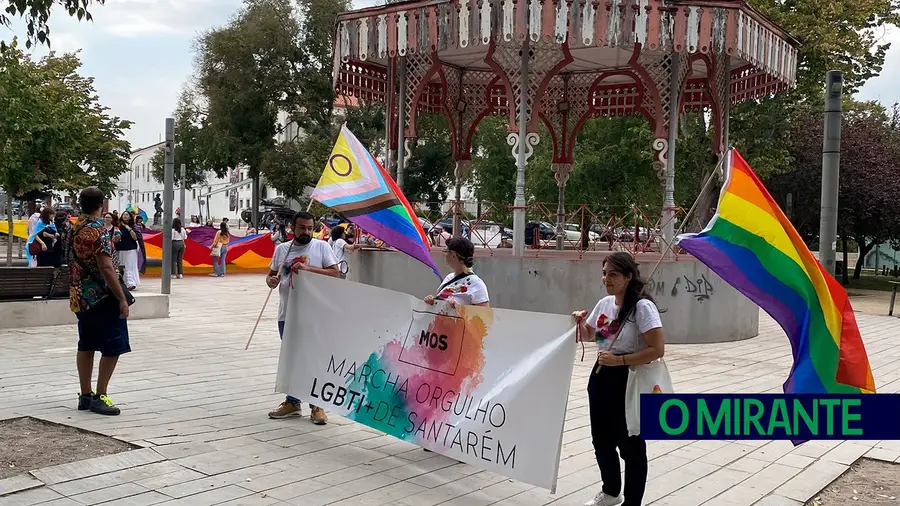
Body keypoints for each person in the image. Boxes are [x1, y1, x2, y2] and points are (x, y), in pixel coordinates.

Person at [571, 252, 665, 506]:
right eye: (604, 273)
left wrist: (620, 361)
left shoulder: (642, 308)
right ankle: (611, 491)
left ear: (628, 277)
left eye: (612, 274)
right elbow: (592, 335)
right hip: (601, 377)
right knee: (601, 440)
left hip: (628, 380)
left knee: (631, 445)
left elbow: (657, 349)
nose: (606, 279)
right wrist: (579, 322)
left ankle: (632, 502)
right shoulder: (605, 304)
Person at [266, 211, 340, 423]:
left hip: (315, 314)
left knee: (313, 358)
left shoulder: (321, 247)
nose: (306, 232)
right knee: (293, 359)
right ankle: (292, 402)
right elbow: (271, 275)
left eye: (310, 228)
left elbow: (335, 272)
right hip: (287, 313)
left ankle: (317, 404)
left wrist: (308, 268)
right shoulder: (282, 250)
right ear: (292, 228)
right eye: (302, 228)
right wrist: (270, 281)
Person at [66, 187, 131, 416]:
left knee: (86, 343)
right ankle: (100, 395)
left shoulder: (74, 227)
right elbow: (105, 267)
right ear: (101, 204)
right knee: (114, 345)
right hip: (101, 297)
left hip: (79, 296)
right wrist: (121, 298)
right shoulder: (98, 230)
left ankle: (84, 395)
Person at [424, 237, 489, 308]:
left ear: (453, 255)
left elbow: (483, 315)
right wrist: (432, 302)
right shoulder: (449, 277)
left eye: (446, 251)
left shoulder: (476, 283)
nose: (444, 255)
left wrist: (460, 308)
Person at [117, 211, 141, 290]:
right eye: (123, 214)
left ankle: (131, 283)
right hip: (120, 249)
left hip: (131, 249)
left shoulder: (134, 226)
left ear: (130, 217)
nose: (125, 216)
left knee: (129, 265)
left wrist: (128, 228)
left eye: (127, 214)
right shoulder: (118, 226)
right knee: (122, 266)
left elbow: (136, 237)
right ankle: (123, 283)